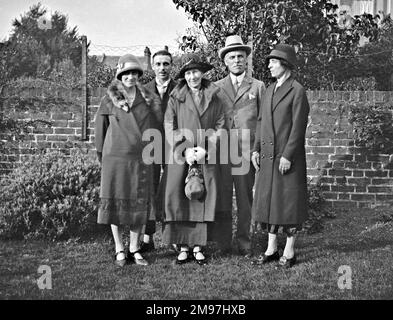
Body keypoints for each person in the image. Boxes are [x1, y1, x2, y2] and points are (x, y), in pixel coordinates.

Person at [95, 54, 162, 267]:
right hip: (115, 158)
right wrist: (102, 156)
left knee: (138, 205)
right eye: (126, 73)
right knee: (115, 203)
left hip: (140, 159)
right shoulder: (109, 100)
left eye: (134, 73)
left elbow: (156, 129)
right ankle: (119, 249)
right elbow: (100, 132)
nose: (130, 77)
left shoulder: (149, 99)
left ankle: (134, 248)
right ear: (119, 75)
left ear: (139, 75)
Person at [163, 53, 225, 265]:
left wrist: (206, 149)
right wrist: (184, 150)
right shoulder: (176, 96)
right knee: (180, 199)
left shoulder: (214, 95)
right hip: (182, 157)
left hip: (204, 155)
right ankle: (182, 247)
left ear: (202, 73)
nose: (192, 77)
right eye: (188, 73)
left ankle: (198, 247)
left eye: (196, 72)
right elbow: (169, 126)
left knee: (201, 196)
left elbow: (220, 125)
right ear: (184, 76)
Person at [251, 44, 310, 268]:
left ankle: (290, 251)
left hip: (287, 159)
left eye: (273, 62)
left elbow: (298, 127)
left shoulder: (297, 91)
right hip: (267, 156)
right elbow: (260, 122)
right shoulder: (269, 89)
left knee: (288, 204)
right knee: (269, 203)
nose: (269, 66)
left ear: (284, 64)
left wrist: (287, 155)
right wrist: (256, 149)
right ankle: (271, 248)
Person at [213, 35, 265, 257]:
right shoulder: (216, 87)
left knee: (245, 198)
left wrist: (257, 149)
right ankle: (223, 242)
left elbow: (263, 121)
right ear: (225, 61)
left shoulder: (258, 86)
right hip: (223, 151)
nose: (236, 60)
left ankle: (244, 240)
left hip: (246, 152)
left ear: (246, 59)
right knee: (223, 197)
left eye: (240, 57)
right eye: (232, 57)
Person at [141, 50, 177, 253]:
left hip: (173, 145)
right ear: (153, 66)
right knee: (150, 189)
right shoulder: (144, 90)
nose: (162, 68)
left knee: (172, 188)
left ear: (171, 66)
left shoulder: (179, 89)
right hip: (151, 145)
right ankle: (148, 237)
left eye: (166, 64)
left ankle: (173, 236)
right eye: (159, 64)